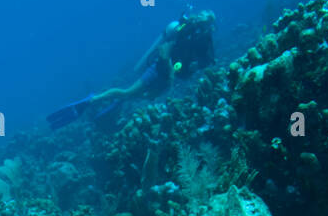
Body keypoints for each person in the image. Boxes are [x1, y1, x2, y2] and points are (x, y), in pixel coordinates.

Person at [47, 10, 216, 129]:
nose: (207, 29)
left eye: (209, 26)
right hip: (157, 71)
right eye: (207, 25)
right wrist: (171, 73)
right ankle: (92, 99)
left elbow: (202, 62)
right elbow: (164, 52)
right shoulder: (184, 32)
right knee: (127, 92)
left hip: (166, 80)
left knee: (144, 97)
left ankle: (117, 102)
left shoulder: (202, 42)